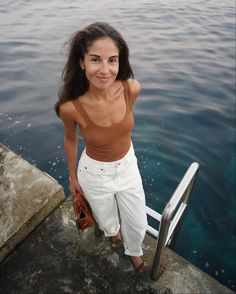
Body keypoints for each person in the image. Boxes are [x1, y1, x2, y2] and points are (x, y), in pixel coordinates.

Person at [55, 22, 148, 273]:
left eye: (112, 60)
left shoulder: (131, 89)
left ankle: (135, 251)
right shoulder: (71, 107)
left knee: (138, 221)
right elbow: (71, 139)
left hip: (127, 166)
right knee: (106, 219)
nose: (105, 70)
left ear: (120, 62)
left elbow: (121, 128)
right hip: (94, 173)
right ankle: (113, 235)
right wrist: (72, 177)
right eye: (96, 60)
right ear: (82, 62)